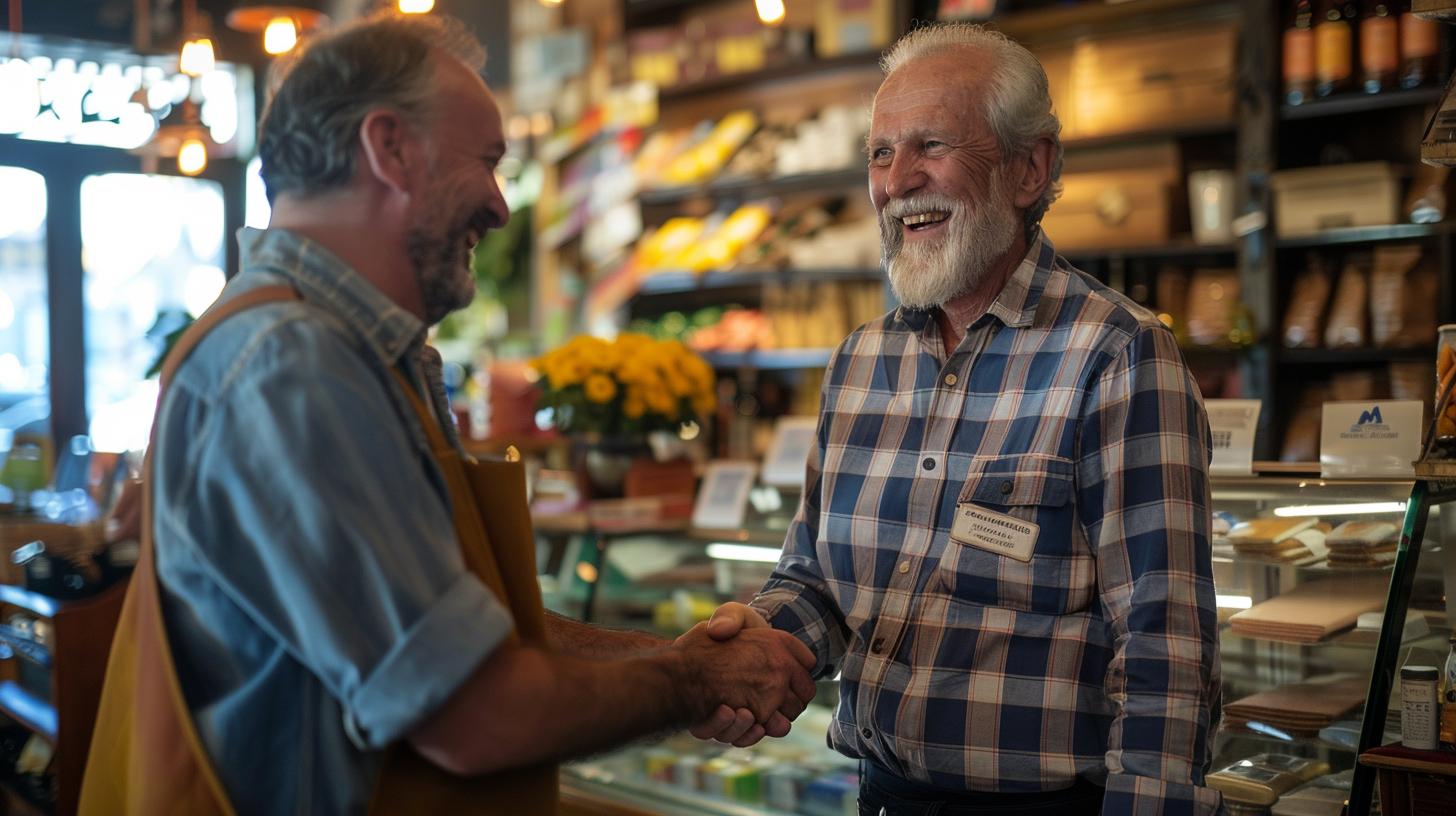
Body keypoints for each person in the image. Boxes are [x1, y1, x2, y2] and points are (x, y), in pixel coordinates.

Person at [80, 12, 815, 816]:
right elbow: (475, 714)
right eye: (488, 163)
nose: (501, 209)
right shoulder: (296, 364)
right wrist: (693, 678)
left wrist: (660, 653)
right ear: (389, 148)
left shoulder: (344, 353)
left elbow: (456, 623)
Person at [694, 23, 1225, 815]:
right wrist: (752, 647)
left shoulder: (1118, 356)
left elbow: (1167, 651)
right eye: (880, 153)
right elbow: (816, 582)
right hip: (878, 794)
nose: (897, 182)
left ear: (1028, 168)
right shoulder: (858, 362)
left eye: (931, 145)